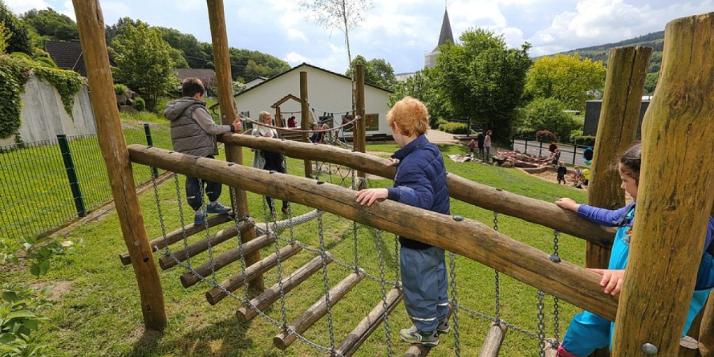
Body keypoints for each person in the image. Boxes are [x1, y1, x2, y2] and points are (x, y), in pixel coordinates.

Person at [554, 143, 714, 357]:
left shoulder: (698, 225)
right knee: (585, 327)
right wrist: (576, 207)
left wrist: (630, 275)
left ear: (647, 181)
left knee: (631, 343)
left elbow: (680, 266)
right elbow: (609, 217)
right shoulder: (634, 210)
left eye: (625, 180)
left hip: (656, 308)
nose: (622, 187)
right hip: (616, 291)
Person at [355, 97, 450, 347]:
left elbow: (421, 197)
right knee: (436, 275)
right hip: (439, 231)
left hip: (418, 237)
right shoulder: (429, 150)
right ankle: (441, 319)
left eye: (391, 129)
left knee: (418, 283)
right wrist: (400, 158)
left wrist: (389, 192)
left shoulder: (413, 165)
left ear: (397, 127)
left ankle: (425, 330)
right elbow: (419, 162)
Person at [164, 77, 240, 225]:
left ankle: (199, 213)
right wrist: (231, 128)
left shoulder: (176, 109)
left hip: (184, 152)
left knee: (193, 180)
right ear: (198, 94)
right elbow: (211, 128)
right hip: (200, 151)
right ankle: (213, 203)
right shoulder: (195, 108)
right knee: (214, 175)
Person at [252, 111, 289, 217]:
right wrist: (264, 139)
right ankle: (272, 209)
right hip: (266, 161)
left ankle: (285, 206)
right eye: (267, 118)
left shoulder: (273, 129)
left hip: (278, 160)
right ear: (262, 120)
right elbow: (253, 147)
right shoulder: (256, 131)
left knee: (284, 182)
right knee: (268, 186)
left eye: (270, 118)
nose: (270, 120)